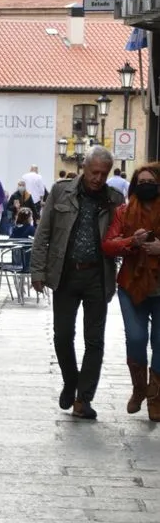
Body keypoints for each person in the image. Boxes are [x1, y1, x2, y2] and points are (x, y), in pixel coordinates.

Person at [31, 146, 124, 420]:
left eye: (103, 174)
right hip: (65, 273)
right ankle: (71, 380)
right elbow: (43, 232)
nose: (98, 178)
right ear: (84, 167)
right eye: (94, 172)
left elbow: (121, 238)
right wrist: (38, 271)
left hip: (98, 275)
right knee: (62, 336)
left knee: (94, 340)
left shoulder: (114, 199)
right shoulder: (61, 191)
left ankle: (83, 399)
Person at [102, 163, 160, 422]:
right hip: (131, 285)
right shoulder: (123, 212)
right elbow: (108, 244)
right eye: (142, 182)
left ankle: (155, 398)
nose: (146, 186)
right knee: (136, 339)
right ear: (135, 187)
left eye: (152, 182)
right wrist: (131, 242)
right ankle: (139, 388)